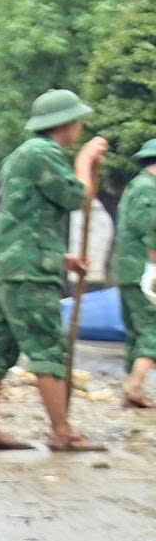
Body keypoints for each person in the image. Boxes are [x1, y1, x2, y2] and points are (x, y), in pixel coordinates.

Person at [0, 89, 109, 452]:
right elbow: (75, 197)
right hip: (30, 274)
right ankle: (62, 431)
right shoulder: (44, 153)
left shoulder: (19, 156)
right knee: (48, 350)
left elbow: (25, 220)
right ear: (67, 124)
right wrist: (85, 161)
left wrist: (62, 258)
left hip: (11, 268)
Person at [123, 138, 156, 409]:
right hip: (143, 271)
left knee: (137, 330)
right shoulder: (149, 189)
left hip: (128, 270)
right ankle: (134, 386)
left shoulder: (134, 187)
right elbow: (152, 231)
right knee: (152, 327)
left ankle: (131, 388)